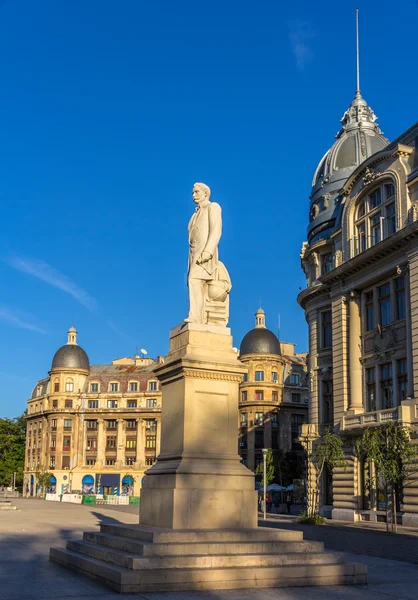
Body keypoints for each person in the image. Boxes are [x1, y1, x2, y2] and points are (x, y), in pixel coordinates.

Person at [186, 182, 223, 324]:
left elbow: (216, 230)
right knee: (194, 283)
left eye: (197, 192)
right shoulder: (194, 215)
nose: (194, 195)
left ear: (205, 193)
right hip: (193, 254)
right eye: (193, 192)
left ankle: (195, 317)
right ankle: (199, 317)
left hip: (205, 254)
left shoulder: (212, 207)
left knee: (194, 280)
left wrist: (208, 251)